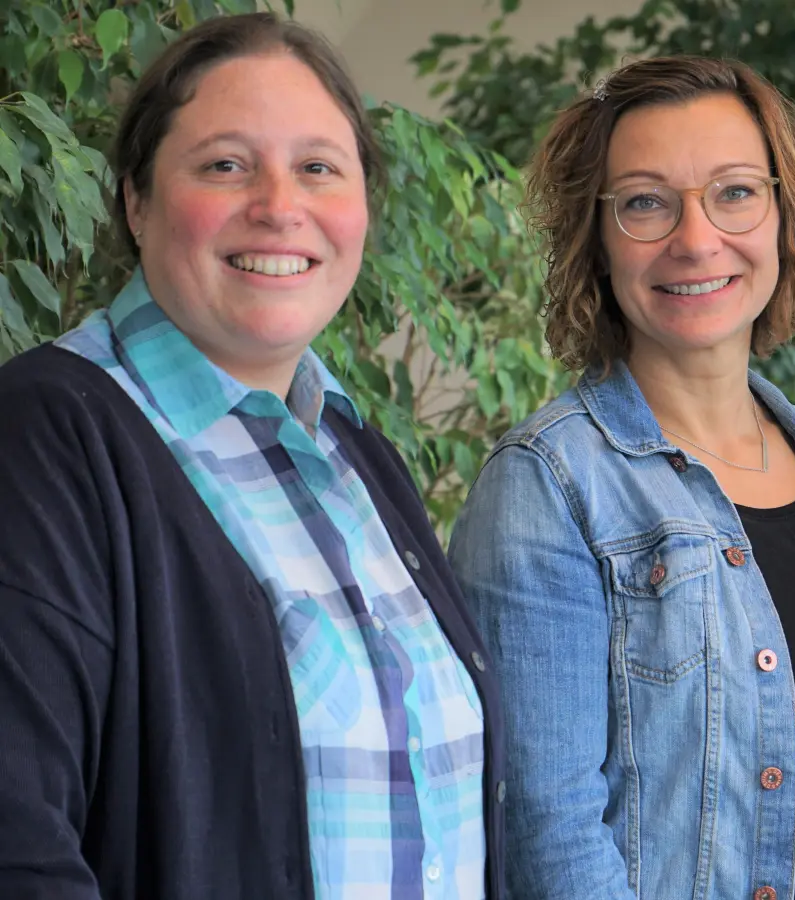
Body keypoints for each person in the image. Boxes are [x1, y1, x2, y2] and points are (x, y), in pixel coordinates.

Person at [447, 55, 795, 900]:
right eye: (646, 203)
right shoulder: (550, 486)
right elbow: (547, 831)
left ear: (782, 217)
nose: (696, 240)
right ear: (597, 239)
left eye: (734, 192)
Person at [0, 14, 505, 899]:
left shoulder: (355, 450)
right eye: (225, 165)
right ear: (136, 199)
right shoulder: (46, 436)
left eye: (317, 167)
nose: (280, 205)